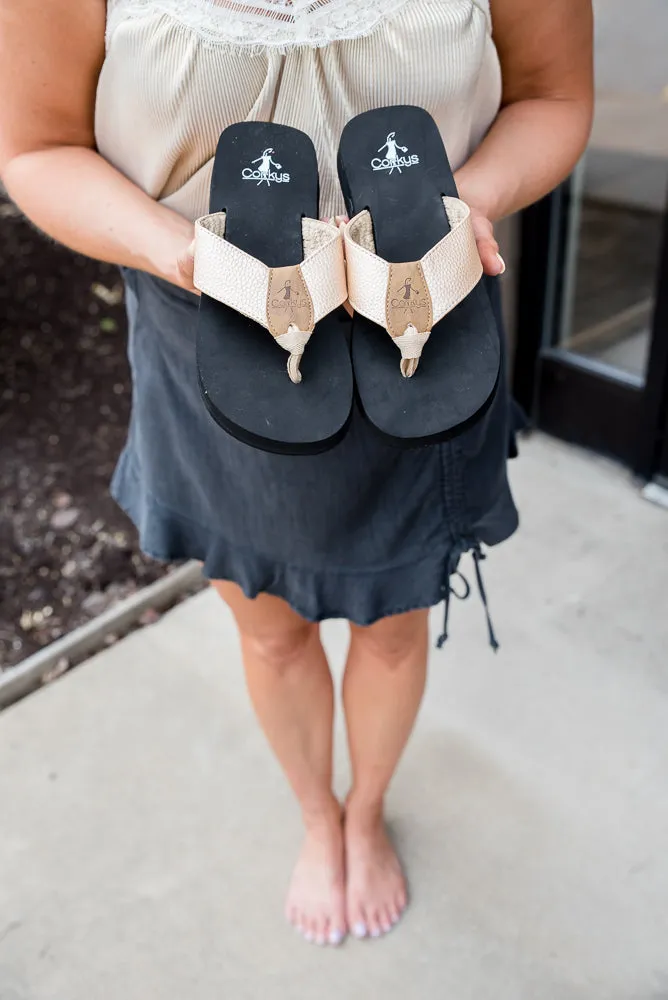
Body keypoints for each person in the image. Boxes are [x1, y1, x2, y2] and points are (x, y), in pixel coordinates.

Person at [0, 0, 593, 947]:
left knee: (397, 630)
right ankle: (321, 817)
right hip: (215, 331)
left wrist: (470, 203)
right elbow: (35, 148)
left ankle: (367, 812)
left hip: (424, 317)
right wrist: (180, 251)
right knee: (271, 635)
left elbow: (554, 94)